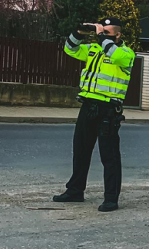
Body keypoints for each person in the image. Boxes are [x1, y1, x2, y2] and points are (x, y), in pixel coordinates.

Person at [52, 18, 135, 212]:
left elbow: (114, 55)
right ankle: (75, 191)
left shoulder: (126, 53)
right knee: (80, 151)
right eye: (101, 31)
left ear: (118, 35)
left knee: (109, 156)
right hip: (88, 105)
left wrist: (100, 36)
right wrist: (79, 32)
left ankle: (111, 198)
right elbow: (69, 49)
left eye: (107, 32)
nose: (102, 35)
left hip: (108, 109)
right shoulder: (93, 49)